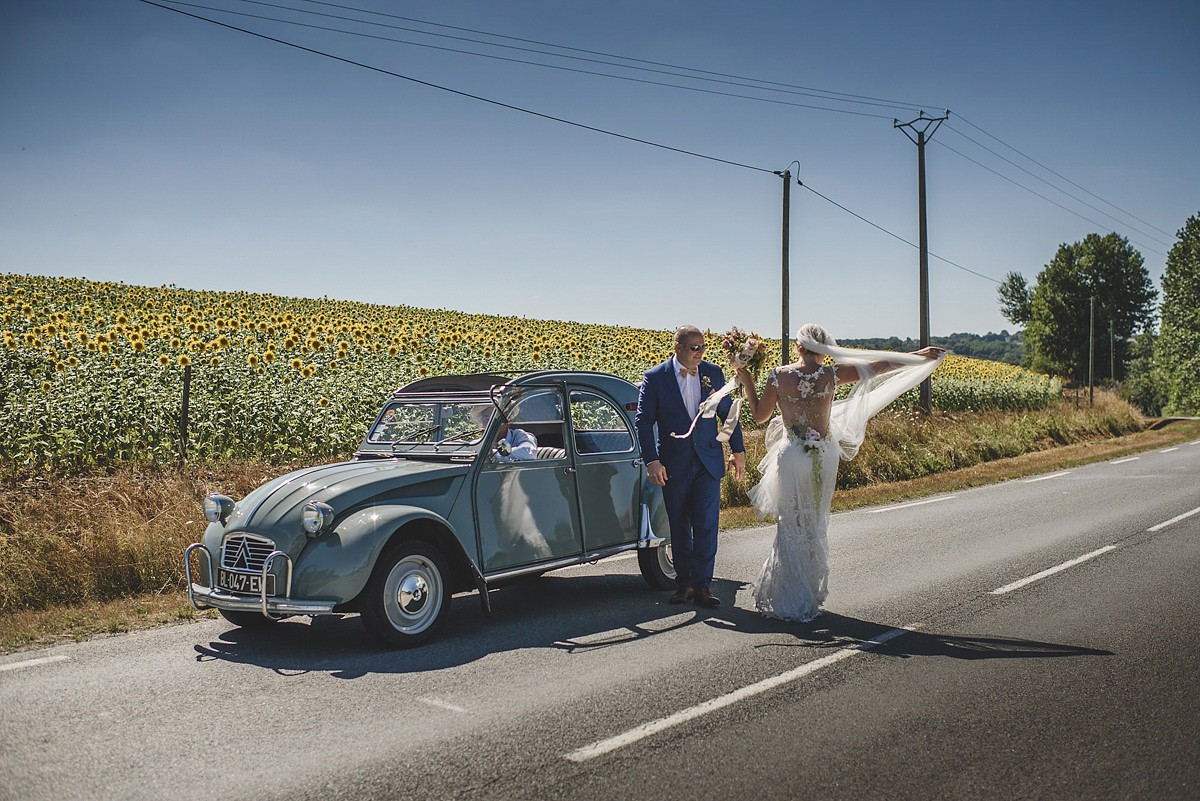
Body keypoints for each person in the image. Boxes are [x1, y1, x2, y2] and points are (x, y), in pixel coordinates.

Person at [735, 323, 944, 622]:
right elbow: (879, 366)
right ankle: (808, 589)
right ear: (825, 347)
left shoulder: (779, 376)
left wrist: (748, 382)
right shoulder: (831, 375)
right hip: (823, 455)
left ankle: (792, 595)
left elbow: (759, 416)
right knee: (814, 521)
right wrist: (916, 356)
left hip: (792, 455)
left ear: (798, 346)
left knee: (791, 522)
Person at [636, 325, 746, 608]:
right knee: (680, 525)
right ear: (678, 348)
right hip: (672, 464)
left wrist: (738, 451)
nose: (700, 352)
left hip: (708, 461)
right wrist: (652, 460)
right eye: (694, 347)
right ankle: (684, 583)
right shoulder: (655, 378)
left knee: (707, 524)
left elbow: (728, 415)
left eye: (702, 347)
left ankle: (703, 586)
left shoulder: (714, 374)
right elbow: (644, 421)